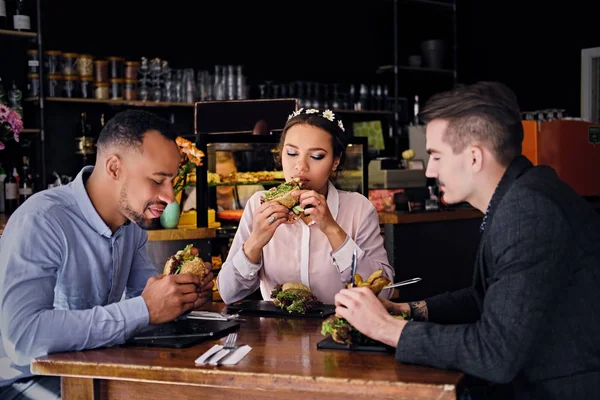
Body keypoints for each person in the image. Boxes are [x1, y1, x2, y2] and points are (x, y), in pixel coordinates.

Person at [334, 82, 600, 399]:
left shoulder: (527, 212)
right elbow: (484, 297)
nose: (429, 171)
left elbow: (495, 354)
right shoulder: (522, 193)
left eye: (435, 156)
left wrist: (385, 328)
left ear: (474, 157)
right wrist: (405, 310)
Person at [0, 110, 214, 399]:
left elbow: (148, 299)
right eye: (157, 180)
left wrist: (181, 297)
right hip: (24, 383)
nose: (170, 197)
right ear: (114, 168)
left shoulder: (131, 226)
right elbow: (23, 338)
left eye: (171, 182)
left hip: (94, 370)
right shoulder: (42, 220)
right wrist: (145, 309)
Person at [217, 108, 393, 305]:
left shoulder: (358, 208)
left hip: (340, 329)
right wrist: (255, 241)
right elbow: (228, 293)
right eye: (291, 153)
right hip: (275, 333)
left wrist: (332, 229)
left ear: (335, 161)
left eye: (316, 156)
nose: (300, 166)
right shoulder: (258, 204)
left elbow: (384, 292)